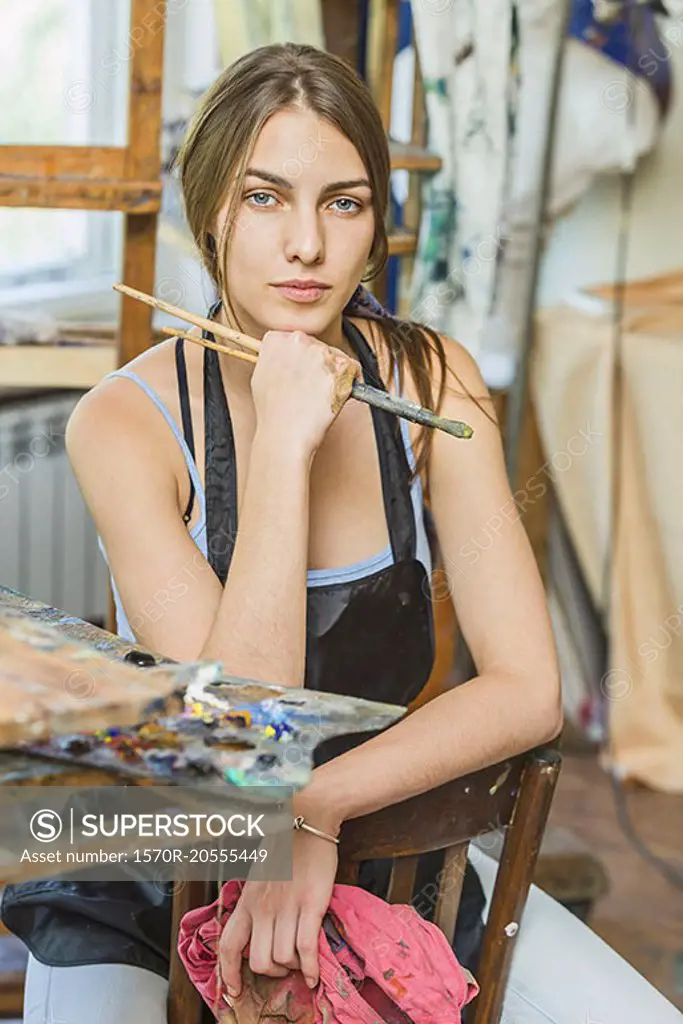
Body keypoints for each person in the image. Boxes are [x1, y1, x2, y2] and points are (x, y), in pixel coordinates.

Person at [4, 42, 679, 1024]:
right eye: (266, 197)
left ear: (373, 226)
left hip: (381, 842)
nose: (307, 247)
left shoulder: (431, 380)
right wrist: (282, 444)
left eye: (344, 202)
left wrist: (319, 810)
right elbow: (240, 750)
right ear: (209, 214)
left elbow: (528, 691)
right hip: (153, 865)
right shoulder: (120, 424)